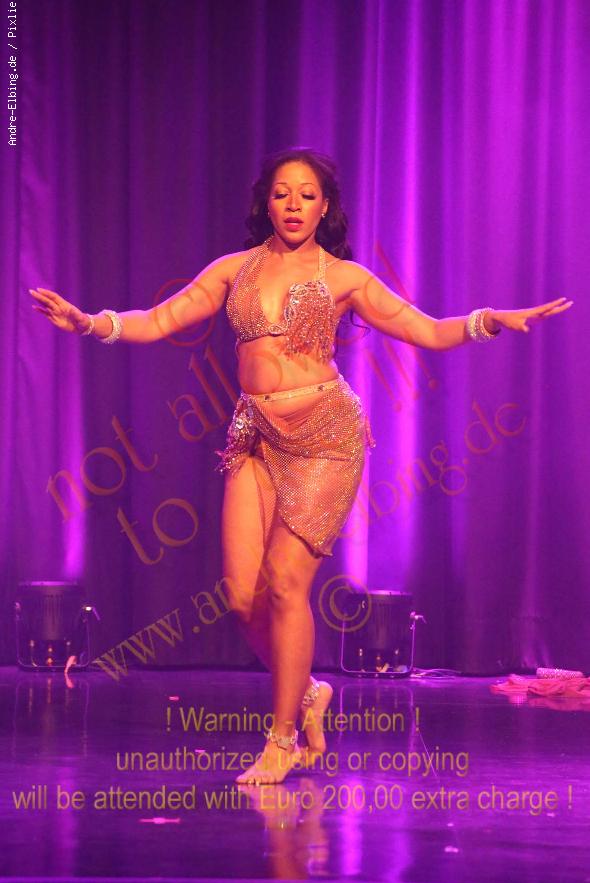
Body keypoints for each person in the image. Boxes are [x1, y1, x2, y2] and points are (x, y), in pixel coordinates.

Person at [30, 147, 573, 785]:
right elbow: (158, 319)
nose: (294, 205)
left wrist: (489, 321)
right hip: (254, 436)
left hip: (325, 437)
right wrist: (89, 323)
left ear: (324, 208)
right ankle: (309, 691)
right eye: (283, 193)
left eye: (308, 195)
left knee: (287, 584)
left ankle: (282, 739)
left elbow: (426, 330)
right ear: (267, 203)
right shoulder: (233, 270)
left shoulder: (345, 278)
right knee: (241, 599)